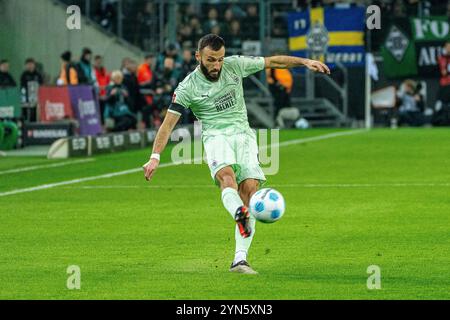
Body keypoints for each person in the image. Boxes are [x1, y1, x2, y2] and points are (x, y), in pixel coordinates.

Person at [142, 34, 330, 274]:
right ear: (198, 56)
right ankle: (238, 213)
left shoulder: (235, 65)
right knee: (227, 178)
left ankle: (240, 260)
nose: (217, 65)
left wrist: (304, 62)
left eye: (220, 59)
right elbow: (167, 125)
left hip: (244, 135)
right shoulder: (187, 87)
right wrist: (155, 156)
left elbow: (273, 62)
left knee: (250, 191)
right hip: (216, 136)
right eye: (211, 60)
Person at [93, 55, 110, 122]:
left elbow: (107, 80)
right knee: (98, 109)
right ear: (95, 62)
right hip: (98, 93)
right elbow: (94, 81)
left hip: (104, 93)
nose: (99, 63)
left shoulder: (104, 70)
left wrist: (106, 88)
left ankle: (102, 123)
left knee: (103, 110)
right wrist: (99, 89)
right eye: (97, 61)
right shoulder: (93, 70)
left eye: (100, 61)